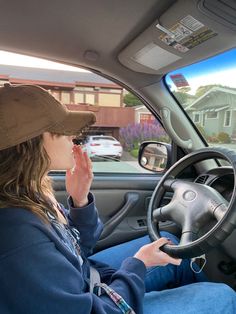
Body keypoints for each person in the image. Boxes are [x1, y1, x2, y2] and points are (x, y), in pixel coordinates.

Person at [0, 83, 235, 314]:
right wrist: (139, 264)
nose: (73, 135)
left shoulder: (31, 193)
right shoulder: (18, 236)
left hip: (85, 279)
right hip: (92, 302)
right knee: (221, 296)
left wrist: (80, 200)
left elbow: (79, 249)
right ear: (31, 145)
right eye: (62, 130)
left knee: (169, 244)